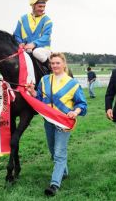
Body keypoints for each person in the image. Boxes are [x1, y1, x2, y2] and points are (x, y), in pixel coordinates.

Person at [26, 52, 87, 196]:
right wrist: (33, 92)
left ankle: (54, 185)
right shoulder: (45, 80)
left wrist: (75, 112)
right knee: (53, 151)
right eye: (52, 63)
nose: (55, 66)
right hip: (48, 120)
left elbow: (82, 103)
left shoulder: (72, 83)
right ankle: (63, 172)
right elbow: (41, 98)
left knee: (59, 152)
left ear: (64, 64)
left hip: (63, 122)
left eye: (58, 63)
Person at [13, 0, 52, 64]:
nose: (42, 9)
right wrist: (20, 43)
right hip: (26, 49)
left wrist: (34, 44)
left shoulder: (47, 20)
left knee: (36, 52)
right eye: (40, 6)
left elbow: (46, 36)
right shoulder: (22, 19)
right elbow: (17, 35)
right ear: (33, 6)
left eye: (44, 7)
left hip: (43, 50)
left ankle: (50, 67)